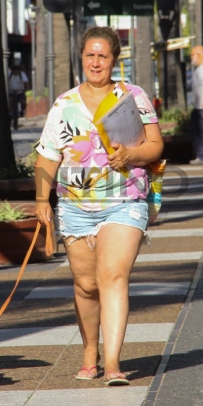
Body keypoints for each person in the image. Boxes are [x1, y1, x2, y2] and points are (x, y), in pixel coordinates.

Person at [33, 26, 163, 386]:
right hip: (75, 205)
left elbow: (155, 146)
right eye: (90, 55)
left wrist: (132, 154)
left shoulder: (132, 97)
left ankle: (113, 363)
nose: (95, 62)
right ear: (81, 58)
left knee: (112, 276)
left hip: (126, 199)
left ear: (114, 59)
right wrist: (41, 200)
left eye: (102, 55)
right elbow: (47, 157)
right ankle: (90, 351)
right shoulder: (64, 104)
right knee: (86, 285)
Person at [8, 64, 28, 129]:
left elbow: (26, 82)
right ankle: (10, 113)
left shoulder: (22, 74)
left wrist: (26, 89)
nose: (15, 72)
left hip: (20, 91)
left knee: (23, 101)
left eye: (17, 71)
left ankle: (22, 110)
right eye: (14, 71)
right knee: (10, 102)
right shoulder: (9, 74)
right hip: (11, 91)